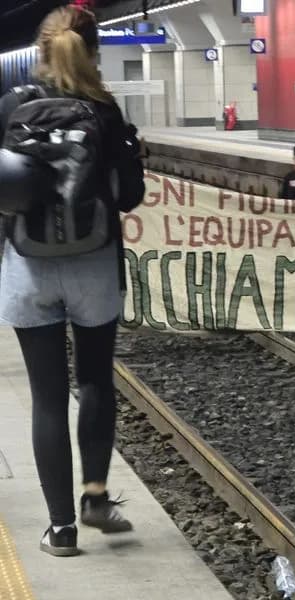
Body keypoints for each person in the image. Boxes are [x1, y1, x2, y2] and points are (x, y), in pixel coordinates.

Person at [0, 5, 145, 556]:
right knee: (94, 383)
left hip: (27, 265)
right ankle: (96, 496)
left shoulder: (12, 106)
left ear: (39, 52)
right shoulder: (105, 112)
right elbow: (129, 195)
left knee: (46, 399)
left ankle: (61, 530)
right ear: (95, 54)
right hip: (94, 265)